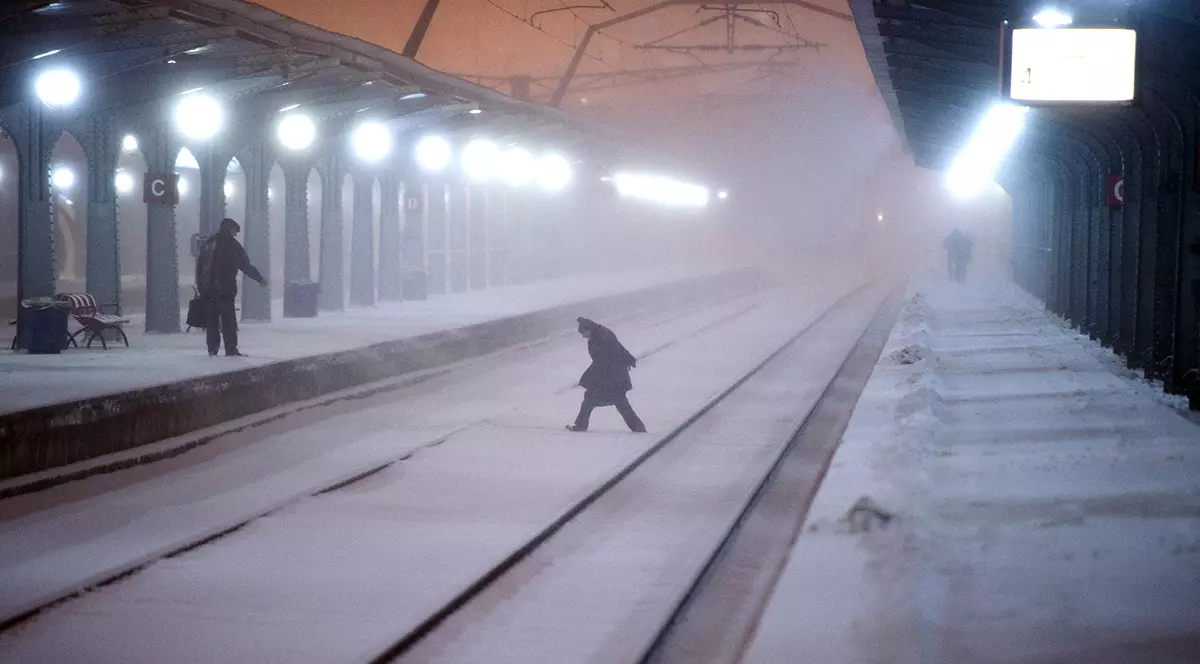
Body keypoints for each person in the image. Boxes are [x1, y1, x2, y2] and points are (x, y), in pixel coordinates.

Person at [195, 217, 267, 356]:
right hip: (224, 289)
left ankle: (212, 350)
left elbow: (199, 266)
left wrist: (200, 286)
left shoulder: (208, 244)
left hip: (208, 290)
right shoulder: (232, 245)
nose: (235, 234)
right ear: (230, 229)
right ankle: (231, 349)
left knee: (212, 322)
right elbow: (244, 265)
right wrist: (259, 278)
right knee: (228, 321)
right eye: (235, 231)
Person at [567, 317, 646, 433]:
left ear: (589, 329)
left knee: (591, 400)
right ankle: (639, 429)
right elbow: (617, 349)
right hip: (615, 378)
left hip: (612, 379)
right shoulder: (601, 334)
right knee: (621, 404)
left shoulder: (601, 338)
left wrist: (591, 379)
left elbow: (603, 362)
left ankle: (580, 426)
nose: (583, 336)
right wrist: (628, 358)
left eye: (583, 333)